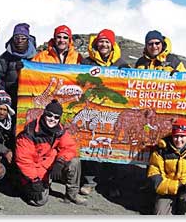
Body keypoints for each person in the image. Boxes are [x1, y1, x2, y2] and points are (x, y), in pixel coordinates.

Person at [79, 29, 129, 198]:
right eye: (101, 41)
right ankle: (89, 181)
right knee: (91, 142)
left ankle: (111, 183)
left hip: (114, 112)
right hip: (93, 109)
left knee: (112, 146)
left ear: (112, 44)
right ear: (96, 43)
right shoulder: (87, 62)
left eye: (107, 42)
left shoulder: (122, 65)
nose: (104, 45)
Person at [15, 100, 87, 206]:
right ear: (44, 113)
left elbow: (69, 147)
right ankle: (25, 186)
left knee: (74, 161)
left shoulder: (59, 130)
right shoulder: (29, 133)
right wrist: (35, 180)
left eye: (56, 117)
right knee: (39, 201)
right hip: (35, 170)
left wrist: (60, 162)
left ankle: (72, 194)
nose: (52, 119)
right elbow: (24, 160)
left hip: (50, 165)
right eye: (49, 115)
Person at [147, 118, 186, 215]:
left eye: (182, 136)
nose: (179, 140)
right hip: (167, 190)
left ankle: (184, 211)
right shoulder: (162, 150)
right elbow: (154, 175)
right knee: (159, 214)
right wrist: (176, 186)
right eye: (176, 136)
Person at [0, 23, 37, 113]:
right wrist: (3, 94)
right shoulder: (4, 58)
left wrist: (26, 69)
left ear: (28, 39)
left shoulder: (36, 57)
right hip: (10, 100)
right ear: (13, 39)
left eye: (23, 38)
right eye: (16, 38)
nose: (19, 41)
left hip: (30, 99)